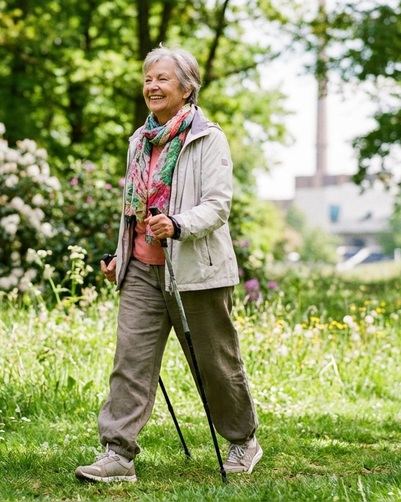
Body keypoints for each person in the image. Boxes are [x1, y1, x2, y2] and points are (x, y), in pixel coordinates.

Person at [74, 45, 261, 483]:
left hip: (196, 270)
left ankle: (243, 440)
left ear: (187, 88)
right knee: (130, 362)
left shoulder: (207, 138)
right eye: (148, 79)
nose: (152, 86)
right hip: (142, 268)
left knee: (215, 363)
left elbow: (218, 205)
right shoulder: (139, 141)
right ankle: (118, 454)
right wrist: (121, 255)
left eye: (162, 79)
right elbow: (133, 208)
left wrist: (178, 225)